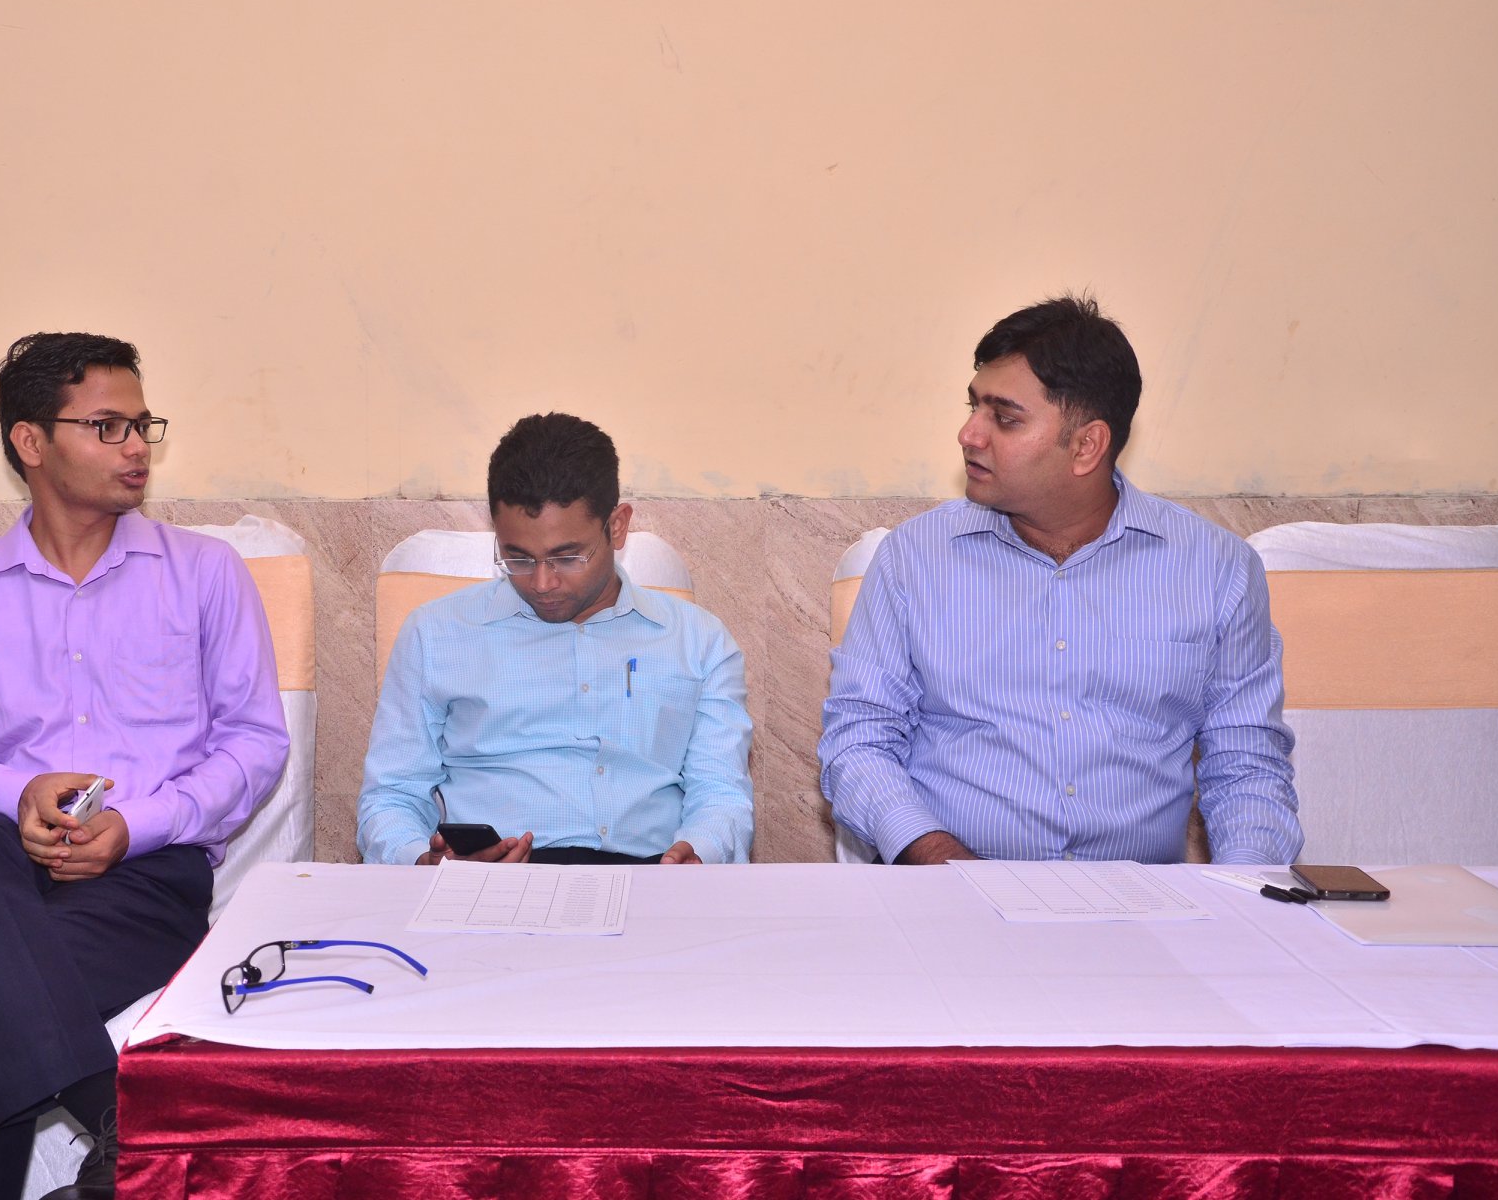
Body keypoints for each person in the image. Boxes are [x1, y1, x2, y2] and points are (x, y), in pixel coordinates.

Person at [0, 333, 290, 1200]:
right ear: (31, 442)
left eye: (143, 425)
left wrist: (133, 825)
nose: (136, 446)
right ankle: (128, 1129)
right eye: (107, 427)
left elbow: (257, 744)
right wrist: (18, 793)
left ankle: (123, 1138)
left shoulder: (205, 575)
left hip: (145, 880)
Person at [820, 295, 1302, 866]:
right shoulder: (914, 559)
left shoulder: (1216, 570)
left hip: (1142, 902)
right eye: (974, 406)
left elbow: (1246, 767)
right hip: (952, 889)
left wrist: (1241, 899)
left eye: (1004, 418)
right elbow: (859, 742)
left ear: (1086, 446)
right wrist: (944, 863)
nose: (969, 434)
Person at [357, 412, 753, 866]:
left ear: (617, 526)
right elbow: (391, 796)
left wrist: (701, 853)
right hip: (491, 882)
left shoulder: (699, 643)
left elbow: (721, 792)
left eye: (567, 557)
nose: (542, 583)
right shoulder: (436, 635)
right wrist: (420, 863)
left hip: (652, 877)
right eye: (518, 558)